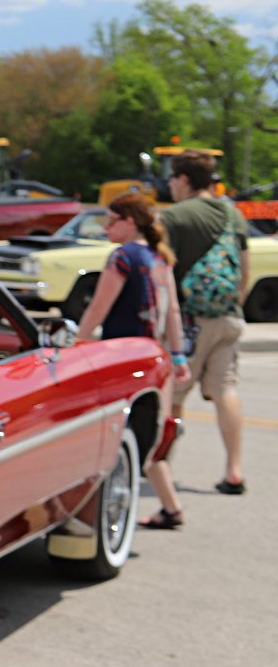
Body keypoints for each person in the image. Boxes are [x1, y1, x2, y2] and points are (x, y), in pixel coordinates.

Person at [75, 192, 192, 529]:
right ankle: (171, 507)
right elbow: (172, 310)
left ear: (130, 222)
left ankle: (96, 514)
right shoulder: (159, 257)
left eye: (111, 220)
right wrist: (178, 353)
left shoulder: (123, 257)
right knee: (152, 433)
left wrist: (77, 343)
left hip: (121, 356)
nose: (107, 227)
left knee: (114, 433)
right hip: (155, 356)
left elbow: (99, 306)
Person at [163, 149, 250, 495]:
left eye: (171, 179)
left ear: (183, 180)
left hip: (189, 321)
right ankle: (234, 471)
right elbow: (244, 268)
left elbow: (163, 275)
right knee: (225, 390)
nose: (170, 185)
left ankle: (161, 467)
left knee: (174, 396)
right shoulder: (233, 214)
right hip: (228, 316)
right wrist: (232, 304)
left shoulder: (174, 217)